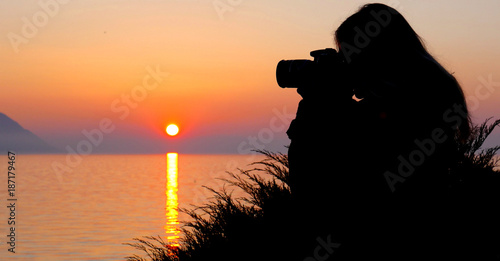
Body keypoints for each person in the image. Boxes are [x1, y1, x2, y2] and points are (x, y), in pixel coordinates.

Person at [287, 3, 474, 259]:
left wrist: (317, 105)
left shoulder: (397, 110)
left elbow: (314, 185)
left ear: (375, 56)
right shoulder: (430, 95)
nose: (346, 67)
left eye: (348, 56)